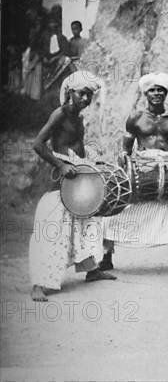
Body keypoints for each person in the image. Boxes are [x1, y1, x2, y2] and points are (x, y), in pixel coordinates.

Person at [30, 71, 116, 301]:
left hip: (78, 177)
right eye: (82, 94)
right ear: (69, 93)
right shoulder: (59, 114)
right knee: (53, 230)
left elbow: (75, 145)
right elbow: (38, 144)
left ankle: (92, 270)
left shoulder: (78, 119)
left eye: (89, 95)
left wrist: (90, 158)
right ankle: (39, 283)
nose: (86, 99)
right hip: (62, 179)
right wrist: (60, 165)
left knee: (85, 224)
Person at [100, 72, 168, 270]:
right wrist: (125, 163)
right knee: (114, 210)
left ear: (166, 93)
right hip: (143, 168)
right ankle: (106, 256)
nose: (156, 93)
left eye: (160, 90)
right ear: (146, 94)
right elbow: (125, 150)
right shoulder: (135, 118)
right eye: (152, 90)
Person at [21, 0, 47, 100]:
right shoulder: (30, 12)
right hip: (31, 42)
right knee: (27, 67)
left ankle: (35, 94)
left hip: (40, 43)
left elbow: (41, 29)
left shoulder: (44, 12)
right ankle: (26, 91)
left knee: (37, 68)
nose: (37, 0)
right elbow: (29, 30)